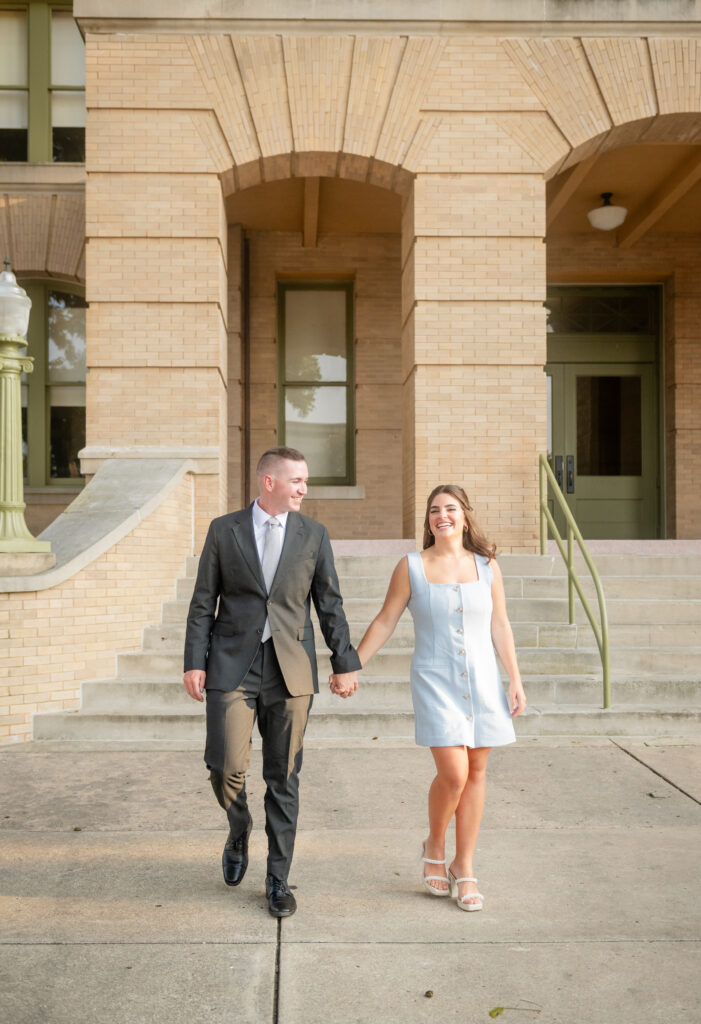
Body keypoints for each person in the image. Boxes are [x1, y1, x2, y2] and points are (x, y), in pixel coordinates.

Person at [183, 446, 360, 918]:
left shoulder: (314, 535)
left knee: (283, 777)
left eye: (305, 481)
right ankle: (239, 825)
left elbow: (330, 604)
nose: (304, 488)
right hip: (231, 666)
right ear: (269, 482)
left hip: (290, 670)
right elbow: (204, 601)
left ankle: (277, 879)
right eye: (296, 480)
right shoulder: (225, 530)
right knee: (224, 765)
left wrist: (345, 661)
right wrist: (193, 661)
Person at [353, 484, 526, 911]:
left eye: (450, 508)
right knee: (454, 773)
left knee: (478, 770)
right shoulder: (411, 566)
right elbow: (386, 619)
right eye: (434, 510)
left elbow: (500, 626)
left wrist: (515, 679)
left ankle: (463, 867)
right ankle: (434, 843)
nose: (441, 516)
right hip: (435, 680)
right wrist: (352, 664)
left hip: (483, 680)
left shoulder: (487, 566)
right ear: (428, 520)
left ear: (465, 515)